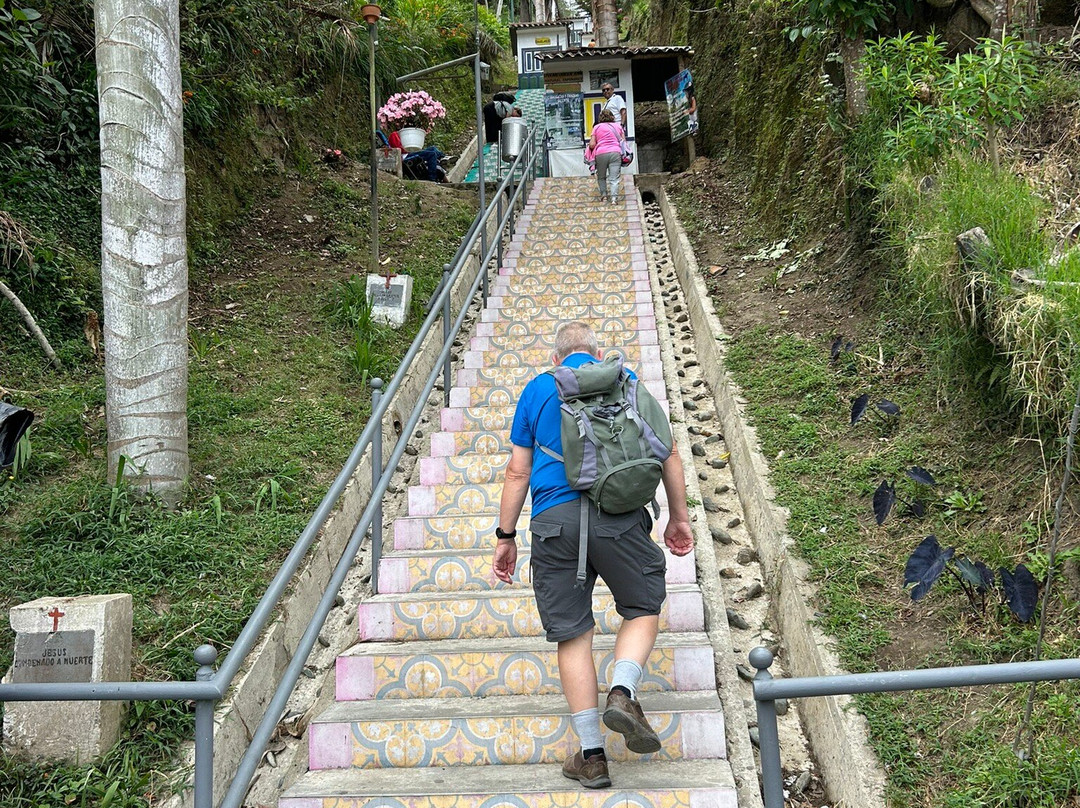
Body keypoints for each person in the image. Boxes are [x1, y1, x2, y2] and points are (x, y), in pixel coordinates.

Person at [492, 321, 694, 790]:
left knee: (574, 634)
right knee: (643, 608)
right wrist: (677, 519)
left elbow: (517, 473)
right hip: (620, 515)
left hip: (554, 525)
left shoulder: (539, 389)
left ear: (556, 359)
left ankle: (592, 757)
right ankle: (623, 691)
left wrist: (505, 536)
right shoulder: (626, 381)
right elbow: (669, 454)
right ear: (596, 354)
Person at [588, 109, 626, 204]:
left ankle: (604, 197)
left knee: (601, 176)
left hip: (601, 153)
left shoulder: (596, 127)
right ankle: (614, 199)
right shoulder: (618, 126)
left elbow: (592, 144)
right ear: (612, 116)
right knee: (614, 178)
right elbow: (623, 142)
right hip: (615, 153)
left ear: (600, 117)